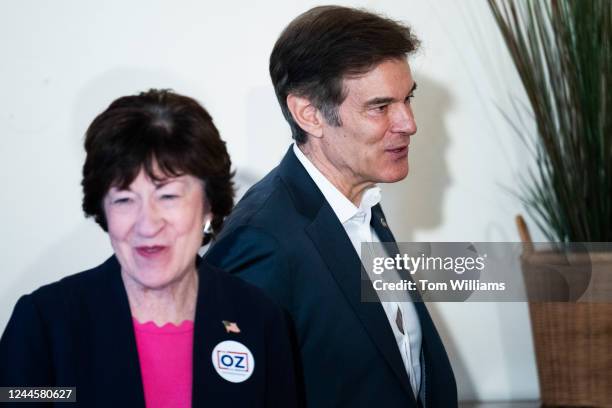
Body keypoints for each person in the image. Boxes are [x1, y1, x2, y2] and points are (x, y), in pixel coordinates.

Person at [205, 5, 457, 408]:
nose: (408, 123)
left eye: (407, 99)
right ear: (309, 114)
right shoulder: (261, 241)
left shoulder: (362, 204)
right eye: (380, 107)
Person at [0, 89, 297, 407]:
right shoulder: (46, 322)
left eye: (168, 196)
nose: (147, 224)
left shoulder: (259, 318)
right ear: (103, 209)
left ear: (209, 206)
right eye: (125, 199)